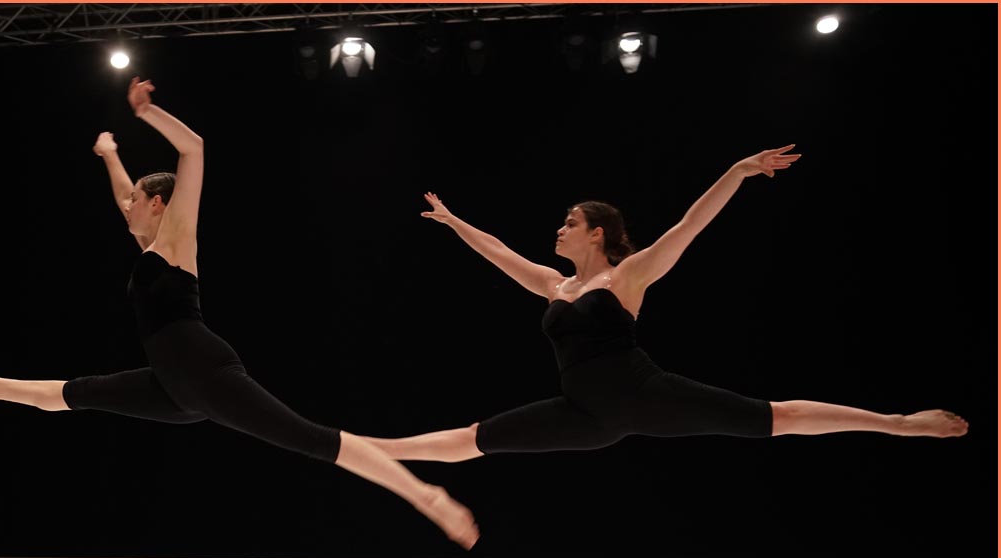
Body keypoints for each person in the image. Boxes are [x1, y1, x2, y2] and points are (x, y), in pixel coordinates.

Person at [0, 78, 478, 549]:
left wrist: (146, 113)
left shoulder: (177, 237)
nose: (127, 204)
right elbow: (122, 196)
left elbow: (193, 148)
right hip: (175, 387)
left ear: (159, 204)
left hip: (204, 372)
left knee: (312, 439)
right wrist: (110, 155)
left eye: (136, 199)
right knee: (80, 393)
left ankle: (425, 495)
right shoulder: (149, 246)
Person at [359, 146, 968, 465]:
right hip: (586, 416)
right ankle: (374, 451)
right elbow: (497, 251)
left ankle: (898, 423)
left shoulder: (629, 275)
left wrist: (738, 172)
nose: (559, 230)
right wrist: (453, 221)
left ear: (597, 232)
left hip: (644, 393)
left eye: (569, 223)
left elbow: (689, 225)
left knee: (775, 417)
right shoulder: (554, 285)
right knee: (475, 439)